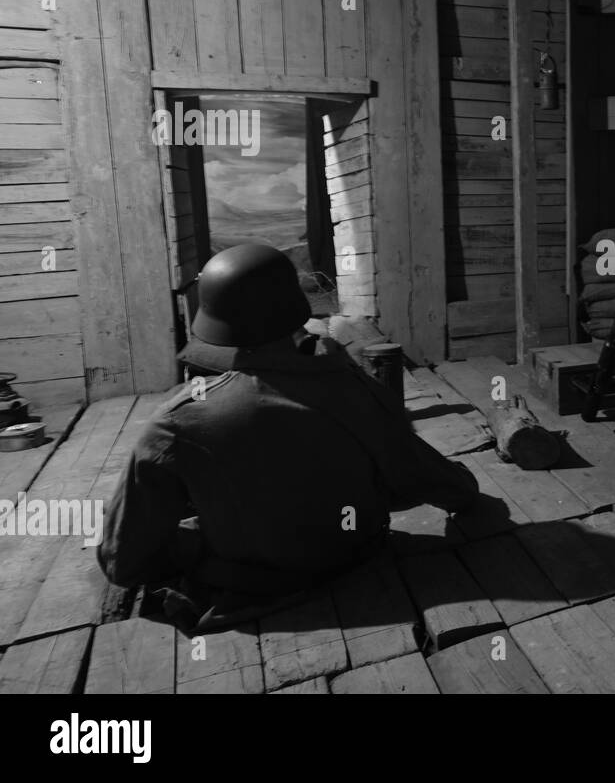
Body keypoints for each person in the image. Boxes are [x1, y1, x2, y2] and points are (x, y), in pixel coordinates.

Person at [97, 243, 480, 631]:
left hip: (252, 587)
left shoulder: (175, 423)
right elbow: (437, 482)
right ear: (295, 312)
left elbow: (121, 562)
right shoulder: (351, 388)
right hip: (359, 556)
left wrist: (196, 536)